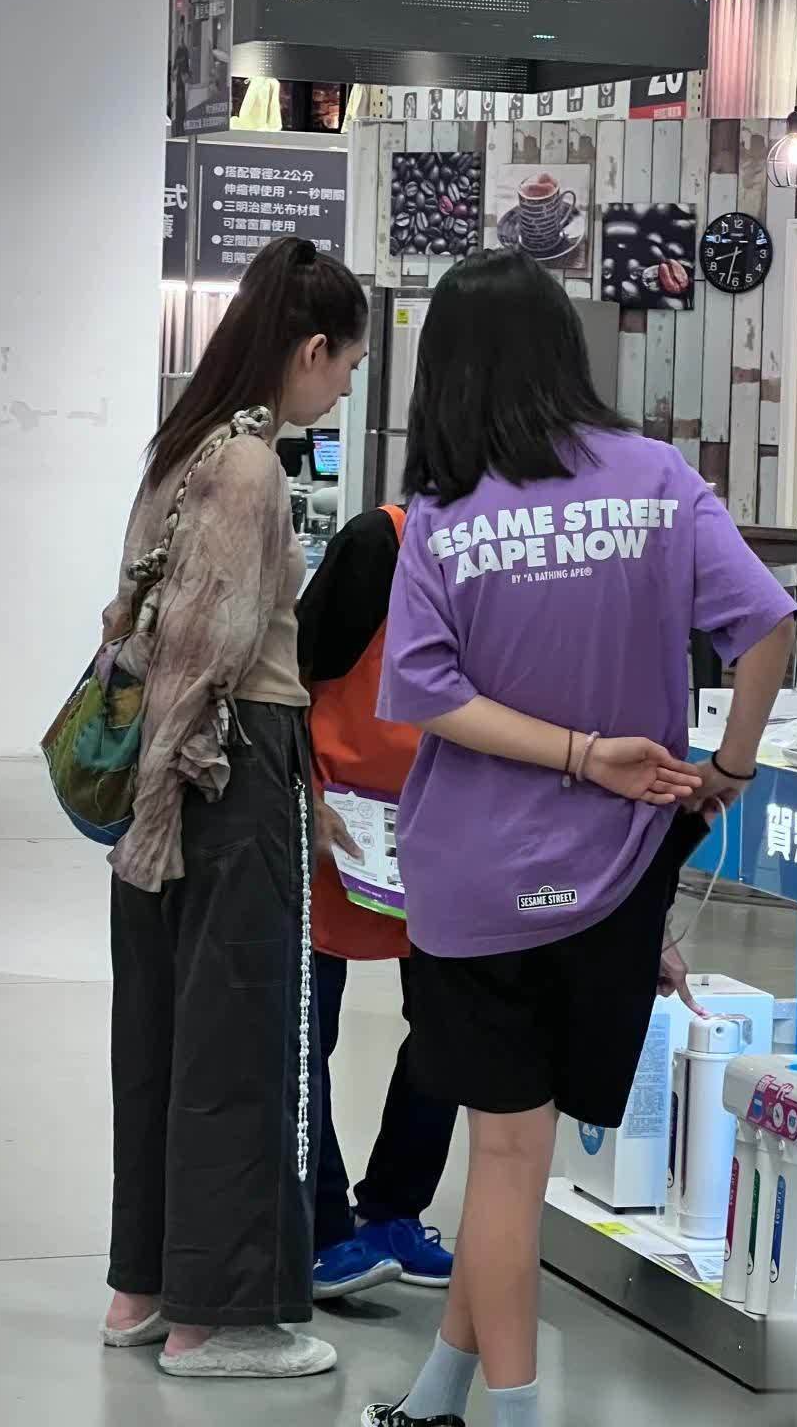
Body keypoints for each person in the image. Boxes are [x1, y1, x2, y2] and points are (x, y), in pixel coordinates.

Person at [365, 248, 796, 1427]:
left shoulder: (444, 517)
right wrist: (729, 768)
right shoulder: (658, 478)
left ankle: (510, 1415)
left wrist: (572, 751)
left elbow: (427, 693)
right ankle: (438, 1396)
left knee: (504, 1163)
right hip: (614, 884)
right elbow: (770, 626)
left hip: (474, 885)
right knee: (520, 1159)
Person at [100, 237, 369, 1379]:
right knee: (240, 1035)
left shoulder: (181, 447)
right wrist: (191, 804)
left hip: (168, 779)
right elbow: (211, 657)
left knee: (161, 1033)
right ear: (309, 350)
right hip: (222, 771)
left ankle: (144, 1289)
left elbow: (141, 624)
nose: (343, 389)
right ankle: (214, 1321)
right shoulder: (252, 466)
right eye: (345, 366)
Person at [296, 504, 458, 1300]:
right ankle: (319, 1229)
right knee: (306, 1033)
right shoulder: (377, 546)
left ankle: (393, 1209)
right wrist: (302, 796)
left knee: (451, 1029)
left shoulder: (514, 565)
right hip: (338, 825)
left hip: (445, 827)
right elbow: (286, 676)